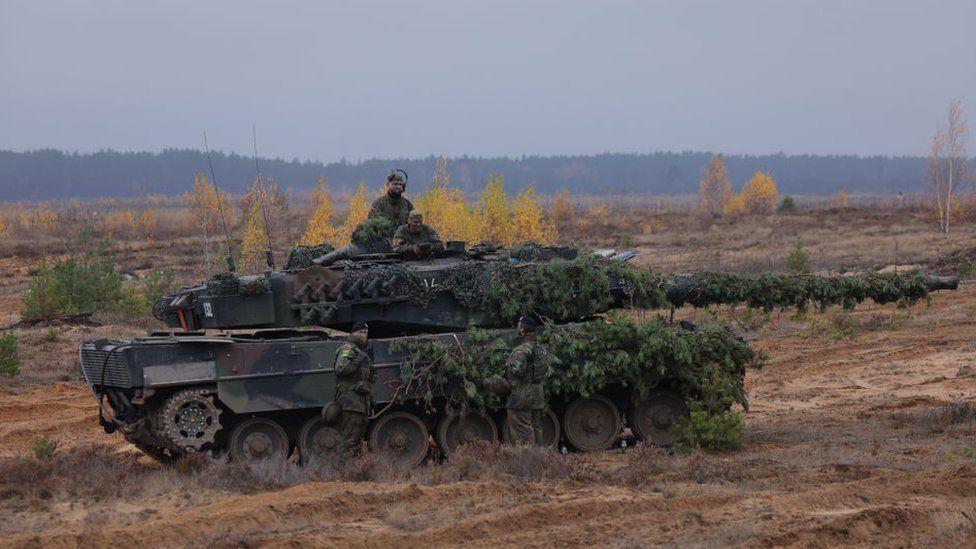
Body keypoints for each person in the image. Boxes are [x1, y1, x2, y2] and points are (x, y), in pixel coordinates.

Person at [503, 315, 551, 446]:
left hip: (521, 399)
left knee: (522, 436)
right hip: (537, 397)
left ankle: (527, 463)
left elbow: (515, 372)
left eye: (519, 326)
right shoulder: (539, 349)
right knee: (537, 431)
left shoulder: (520, 351)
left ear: (523, 329)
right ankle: (541, 462)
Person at [332, 321, 374, 455]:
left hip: (361, 402)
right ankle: (341, 469)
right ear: (352, 333)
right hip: (350, 401)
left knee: (357, 438)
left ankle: (352, 470)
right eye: (360, 332)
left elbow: (370, 375)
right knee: (348, 438)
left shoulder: (362, 351)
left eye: (365, 333)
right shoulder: (348, 349)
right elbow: (340, 369)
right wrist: (358, 360)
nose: (363, 335)